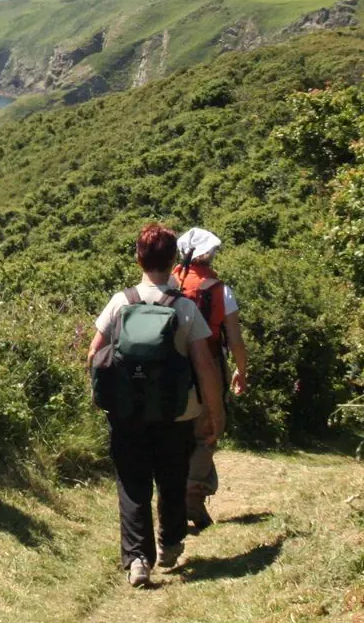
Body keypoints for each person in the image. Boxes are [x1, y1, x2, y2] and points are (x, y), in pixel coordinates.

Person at [88, 223, 225, 588]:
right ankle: (171, 543)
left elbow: (93, 353)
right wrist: (214, 412)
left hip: (126, 412)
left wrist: (106, 397)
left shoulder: (121, 301)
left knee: (133, 484)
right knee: (172, 477)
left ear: (139, 258)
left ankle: (137, 559)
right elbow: (204, 365)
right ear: (171, 260)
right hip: (176, 413)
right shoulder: (184, 308)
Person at [173, 227, 251, 535]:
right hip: (208, 365)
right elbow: (235, 340)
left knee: (177, 433)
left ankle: (184, 498)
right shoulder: (219, 290)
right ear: (209, 254)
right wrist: (241, 370)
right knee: (206, 432)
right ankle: (191, 498)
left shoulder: (170, 283)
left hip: (171, 369)